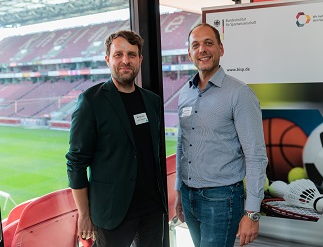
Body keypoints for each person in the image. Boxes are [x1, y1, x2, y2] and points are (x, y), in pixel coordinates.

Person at [66, 30, 167, 247]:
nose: (125, 60)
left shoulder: (152, 101)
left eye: (131, 55)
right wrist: (84, 214)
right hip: (112, 214)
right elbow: (76, 163)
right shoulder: (91, 102)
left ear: (139, 59)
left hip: (152, 210)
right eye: (118, 55)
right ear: (108, 59)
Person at [174, 23, 268, 247]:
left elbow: (255, 155)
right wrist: (179, 192)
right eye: (195, 45)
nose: (202, 50)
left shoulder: (240, 94)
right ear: (189, 53)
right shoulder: (185, 93)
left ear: (221, 49)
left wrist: (253, 213)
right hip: (189, 196)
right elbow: (182, 144)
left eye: (208, 43)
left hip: (222, 199)